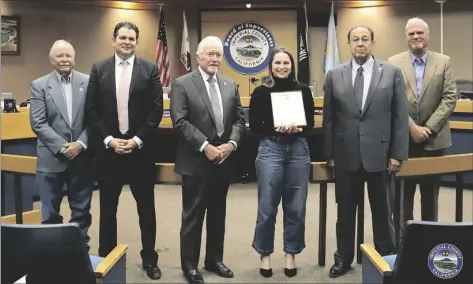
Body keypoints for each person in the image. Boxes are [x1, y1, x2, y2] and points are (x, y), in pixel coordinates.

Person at [322, 25, 409, 277]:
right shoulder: (334, 74)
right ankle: (343, 258)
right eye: (355, 40)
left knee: (383, 212)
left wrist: (397, 154)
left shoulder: (391, 72)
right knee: (345, 213)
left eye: (365, 39)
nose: (360, 43)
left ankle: (387, 257)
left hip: (381, 156)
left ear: (373, 42)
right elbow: (329, 118)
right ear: (348, 44)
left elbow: (400, 118)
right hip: (345, 155)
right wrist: (329, 153)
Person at [85, 21, 163, 280]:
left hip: (140, 153)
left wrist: (137, 140)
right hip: (109, 154)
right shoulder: (99, 69)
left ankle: (150, 259)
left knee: (146, 210)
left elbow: (156, 110)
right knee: (108, 209)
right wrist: (108, 139)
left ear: (137, 42)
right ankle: (107, 258)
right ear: (113, 40)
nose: (127, 42)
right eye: (122, 37)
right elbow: (92, 110)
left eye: (131, 38)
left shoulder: (150, 69)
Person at [170, 36, 245, 284]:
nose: (214, 59)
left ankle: (214, 259)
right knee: (193, 216)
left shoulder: (230, 84)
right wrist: (205, 146)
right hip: (196, 161)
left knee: (217, 213)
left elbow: (238, 120)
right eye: (210, 54)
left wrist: (231, 144)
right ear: (199, 56)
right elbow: (180, 122)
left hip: (223, 161)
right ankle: (189, 265)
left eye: (218, 55)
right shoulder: (182, 84)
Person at [248, 48, 314, 278]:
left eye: (286, 62)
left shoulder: (303, 90)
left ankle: (290, 254)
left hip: (298, 149)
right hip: (271, 149)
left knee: (296, 206)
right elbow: (254, 126)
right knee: (267, 206)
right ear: (270, 66)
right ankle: (265, 254)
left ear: (292, 65)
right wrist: (274, 128)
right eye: (277, 63)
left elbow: (310, 123)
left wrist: (298, 127)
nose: (282, 67)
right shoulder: (260, 92)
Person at [388, 17, 457, 228]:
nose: (416, 37)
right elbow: (391, 99)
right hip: (404, 142)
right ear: (406, 37)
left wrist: (427, 128)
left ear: (428, 36)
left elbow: (449, 98)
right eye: (411, 33)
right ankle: (402, 241)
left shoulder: (443, 61)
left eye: (420, 33)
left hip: (434, 141)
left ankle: (429, 239)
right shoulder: (393, 62)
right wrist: (411, 127)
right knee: (402, 197)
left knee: (430, 197)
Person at [30, 39, 93, 249]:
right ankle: (53, 255)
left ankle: (79, 253)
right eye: (60, 56)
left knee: (81, 212)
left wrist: (81, 144)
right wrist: (64, 147)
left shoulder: (89, 82)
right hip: (51, 159)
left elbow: (96, 119)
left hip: (82, 158)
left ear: (74, 58)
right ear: (51, 59)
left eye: (68, 55)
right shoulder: (39, 85)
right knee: (50, 214)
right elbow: (38, 123)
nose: (64, 59)